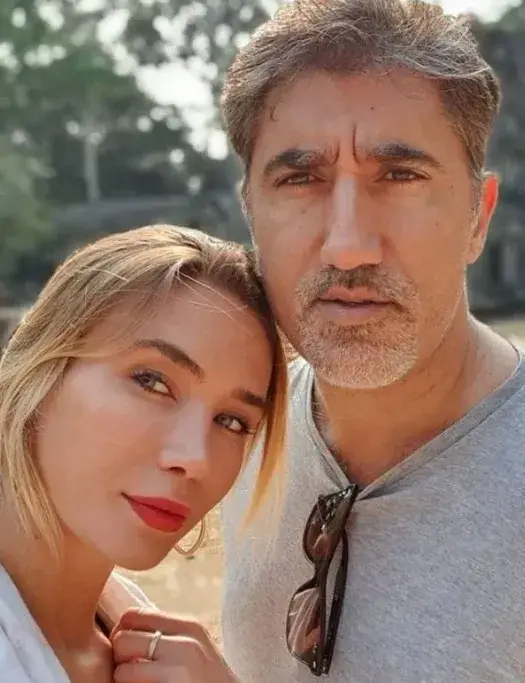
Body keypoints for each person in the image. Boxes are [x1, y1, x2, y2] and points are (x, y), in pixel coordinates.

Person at [219, 0, 525, 681]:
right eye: (300, 178)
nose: (349, 245)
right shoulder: (237, 432)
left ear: (477, 218)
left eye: (401, 176)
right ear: (251, 213)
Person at [0, 225, 287, 682]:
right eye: (152, 382)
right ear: (42, 368)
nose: (195, 458)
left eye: (233, 421)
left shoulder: (129, 630)